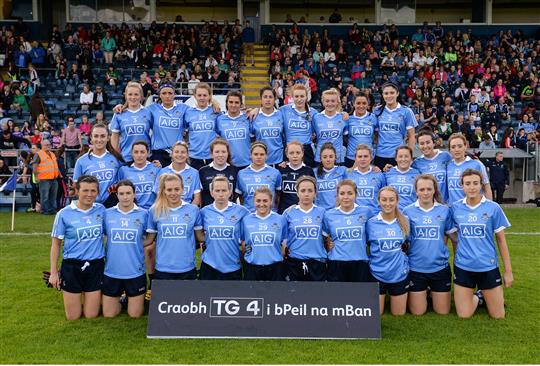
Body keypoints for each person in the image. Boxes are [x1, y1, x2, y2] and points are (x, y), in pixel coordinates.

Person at [450, 169, 513, 319]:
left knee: (498, 316)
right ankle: (479, 296)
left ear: (481, 185)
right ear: (462, 186)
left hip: (488, 266)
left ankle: (484, 293)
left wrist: (508, 271)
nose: (472, 187)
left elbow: (501, 240)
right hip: (464, 266)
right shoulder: (455, 208)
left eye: (475, 183)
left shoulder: (493, 207)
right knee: (464, 315)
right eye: (468, 184)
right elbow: (451, 233)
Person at [49, 175, 105, 320]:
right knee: (73, 317)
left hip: (95, 265)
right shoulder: (64, 214)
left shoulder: (101, 210)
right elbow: (56, 244)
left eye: (93, 191)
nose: (89, 194)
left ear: (97, 192)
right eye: (85, 190)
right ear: (77, 191)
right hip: (72, 266)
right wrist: (54, 273)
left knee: (91, 315)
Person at [403, 174, 457, 315]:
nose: (425, 193)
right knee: (418, 312)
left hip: (439, 267)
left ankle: (431, 291)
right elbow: (403, 241)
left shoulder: (444, 210)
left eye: (429, 189)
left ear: (434, 190)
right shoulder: (407, 211)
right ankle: (425, 292)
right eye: (421, 189)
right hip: (416, 268)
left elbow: (454, 238)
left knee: (442, 311)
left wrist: (458, 261)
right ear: (416, 191)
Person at [102, 180, 148, 318]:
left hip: (135, 271)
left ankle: (131, 298)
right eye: (121, 193)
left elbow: (150, 237)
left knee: (135, 315)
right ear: (117, 195)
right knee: (109, 314)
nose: (125, 197)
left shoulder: (144, 214)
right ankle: (122, 300)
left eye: (128, 193)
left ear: (134, 194)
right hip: (112, 271)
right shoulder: (107, 214)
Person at [144, 173, 203, 280]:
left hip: (187, 267)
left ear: (182, 189)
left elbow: (200, 237)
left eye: (177, 189)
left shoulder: (193, 210)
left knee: (187, 297)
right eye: (169, 190)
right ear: (163, 191)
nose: (173, 193)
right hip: (163, 268)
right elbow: (149, 240)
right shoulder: (154, 210)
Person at [366, 186, 410, 316]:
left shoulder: (405, 221)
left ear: (397, 201)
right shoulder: (370, 223)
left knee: (398, 314)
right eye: (384, 200)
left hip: (399, 274)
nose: (388, 203)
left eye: (391, 200)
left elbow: (408, 245)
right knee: (376, 314)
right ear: (378, 201)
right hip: (377, 273)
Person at [198, 176, 249, 280]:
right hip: (209, 265)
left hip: (233, 265)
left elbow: (247, 237)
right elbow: (199, 235)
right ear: (212, 192)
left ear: (230, 192)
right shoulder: (204, 212)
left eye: (224, 190)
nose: (221, 194)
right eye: (217, 190)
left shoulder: (242, 211)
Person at [323, 179, 373, 282]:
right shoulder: (329, 214)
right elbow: (323, 236)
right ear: (337, 196)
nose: (346, 197)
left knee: (358, 297)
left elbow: (372, 234)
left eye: (350, 193)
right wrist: (327, 243)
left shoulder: (366, 212)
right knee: (338, 297)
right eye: (342, 193)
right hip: (336, 263)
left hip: (360, 262)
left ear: (356, 195)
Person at [283, 176, 327, 281]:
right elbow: (283, 238)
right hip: (295, 261)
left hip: (317, 262)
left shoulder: (323, 212)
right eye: (303, 190)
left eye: (310, 190)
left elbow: (328, 236)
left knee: (317, 296)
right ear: (297, 193)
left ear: (315, 193)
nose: (306, 194)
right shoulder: (288, 212)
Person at [241, 186, 288, 281]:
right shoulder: (246, 220)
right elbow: (243, 244)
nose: (261, 204)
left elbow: (284, 243)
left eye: (265, 201)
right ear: (254, 201)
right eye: (258, 201)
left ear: (271, 201)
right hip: (252, 268)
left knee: (276, 296)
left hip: (275, 268)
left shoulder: (280, 219)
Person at [73, 123, 123, 207]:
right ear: (91, 139)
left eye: (103, 136)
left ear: (108, 138)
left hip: (112, 204)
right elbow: (76, 186)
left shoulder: (116, 158)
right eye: (96, 136)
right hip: (90, 204)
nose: (99, 139)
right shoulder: (81, 161)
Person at [373, 82, 417, 169]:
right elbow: (375, 133)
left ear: (397, 93)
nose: (389, 96)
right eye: (386, 93)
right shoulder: (377, 110)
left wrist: (410, 156)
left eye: (392, 93)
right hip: (380, 154)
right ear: (382, 95)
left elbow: (412, 136)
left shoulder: (406, 111)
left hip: (399, 155)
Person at [110, 81, 152, 162]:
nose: (133, 97)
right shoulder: (119, 113)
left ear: (141, 96)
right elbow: (115, 138)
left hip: (146, 157)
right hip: (126, 157)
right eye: (130, 94)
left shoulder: (148, 112)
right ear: (125, 96)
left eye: (136, 94)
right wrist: (114, 157)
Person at [446, 133, 492, 204]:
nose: (456, 149)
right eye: (453, 147)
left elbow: (486, 187)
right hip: (454, 210)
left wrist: (489, 207)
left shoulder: (477, 164)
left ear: (465, 146)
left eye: (460, 146)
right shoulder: (448, 166)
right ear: (449, 150)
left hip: (473, 209)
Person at [236, 142, 281, 212]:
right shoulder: (241, 173)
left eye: (262, 154)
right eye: (255, 154)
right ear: (250, 155)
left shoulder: (275, 172)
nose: (259, 157)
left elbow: (278, 195)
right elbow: (240, 197)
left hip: (269, 214)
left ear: (266, 156)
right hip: (249, 214)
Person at [184, 83, 219, 170]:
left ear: (209, 96)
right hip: (194, 156)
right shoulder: (188, 112)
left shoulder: (215, 111)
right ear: (194, 96)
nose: (202, 98)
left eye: (205, 95)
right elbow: (183, 132)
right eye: (199, 95)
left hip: (212, 156)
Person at [154, 141, 201, 206]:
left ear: (187, 155)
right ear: (171, 154)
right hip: (167, 210)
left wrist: (189, 211)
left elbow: (197, 199)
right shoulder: (162, 172)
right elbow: (159, 196)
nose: (179, 155)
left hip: (186, 212)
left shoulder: (194, 173)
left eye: (183, 152)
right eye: (176, 152)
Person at [117, 141, 160, 209]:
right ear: (132, 153)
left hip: (153, 210)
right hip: (133, 211)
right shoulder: (123, 170)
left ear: (148, 153)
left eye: (142, 152)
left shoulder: (156, 169)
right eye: (136, 152)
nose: (139, 155)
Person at [412, 129, 452, 202]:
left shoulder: (445, 156)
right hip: (427, 204)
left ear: (434, 143)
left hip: (445, 204)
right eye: (422, 143)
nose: (425, 146)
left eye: (428, 142)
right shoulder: (416, 163)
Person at [346, 144, 386, 213]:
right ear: (355, 158)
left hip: (374, 214)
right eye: (360, 156)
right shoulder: (348, 175)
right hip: (355, 215)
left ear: (371, 158)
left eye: (366, 156)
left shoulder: (379, 175)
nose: (362, 159)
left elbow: (384, 196)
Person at [277, 141, 315, 213]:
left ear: (302, 154)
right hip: (284, 211)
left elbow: (313, 193)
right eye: (291, 153)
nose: (295, 156)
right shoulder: (280, 170)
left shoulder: (309, 171)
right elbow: (277, 193)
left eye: (298, 152)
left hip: (303, 211)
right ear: (286, 154)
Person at [199, 138, 238, 207]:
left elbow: (238, 194)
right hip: (209, 214)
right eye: (217, 152)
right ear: (211, 154)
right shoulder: (202, 171)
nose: (220, 155)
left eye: (223, 152)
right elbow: (199, 196)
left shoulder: (235, 171)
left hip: (230, 213)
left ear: (228, 153)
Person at [216, 91, 251, 169]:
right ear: (227, 103)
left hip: (247, 163)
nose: (233, 105)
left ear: (241, 104)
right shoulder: (219, 119)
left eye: (236, 102)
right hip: (227, 164)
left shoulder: (247, 118)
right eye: (231, 102)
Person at [312, 88, 348, 165]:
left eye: (333, 101)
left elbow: (346, 136)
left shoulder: (343, 117)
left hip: (338, 158)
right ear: (323, 102)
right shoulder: (316, 117)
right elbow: (312, 136)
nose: (330, 103)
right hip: (320, 157)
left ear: (337, 102)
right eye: (327, 101)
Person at [251, 87, 285, 166]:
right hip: (260, 161)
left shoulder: (281, 114)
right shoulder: (254, 116)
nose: (268, 99)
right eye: (265, 97)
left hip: (279, 162)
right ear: (261, 99)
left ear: (274, 99)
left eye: (270, 97)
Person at [345, 93, 378, 168]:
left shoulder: (373, 117)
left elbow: (377, 134)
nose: (361, 106)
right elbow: (344, 136)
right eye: (358, 103)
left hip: (368, 157)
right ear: (353, 104)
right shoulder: (348, 119)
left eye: (364, 103)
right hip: (351, 157)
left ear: (368, 104)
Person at [384, 146, 421, 210]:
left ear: (411, 158)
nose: (403, 159)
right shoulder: (387, 173)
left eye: (406, 156)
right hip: (392, 212)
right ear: (396, 158)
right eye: (400, 156)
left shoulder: (417, 174)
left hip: (411, 212)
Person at [314, 142, 347, 210]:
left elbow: (358, 169)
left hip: (337, 211)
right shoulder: (313, 172)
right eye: (325, 157)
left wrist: (373, 168)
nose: (328, 160)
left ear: (335, 157)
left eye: (331, 156)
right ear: (320, 158)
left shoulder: (343, 170)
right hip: (319, 212)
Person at [32, 140, 62, 215]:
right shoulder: (38, 154)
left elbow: (55, 165)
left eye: (49, 144)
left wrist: (60, 174)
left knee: (53, 196)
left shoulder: (52, 154)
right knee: (44, 197)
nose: (48, 146)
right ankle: (44, 211)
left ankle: (51, 210)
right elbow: (34, 166)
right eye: (46, 145)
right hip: (44, 179)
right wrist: (36, 177)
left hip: (54, 179)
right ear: (42, 146)